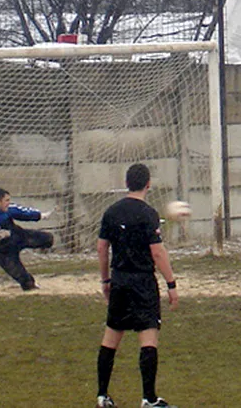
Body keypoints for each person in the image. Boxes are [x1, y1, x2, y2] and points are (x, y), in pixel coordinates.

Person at [95, 163, 179, 408]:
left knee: (111, 336)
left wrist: (105, 280)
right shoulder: (147, 214)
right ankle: (149, 399)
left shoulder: (111, 212)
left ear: (127, 182)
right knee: (148, 336)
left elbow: (101, 248)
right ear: (148, 184)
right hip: (142, 281)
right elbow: (158, 253)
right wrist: (171, 283)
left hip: (119, 279)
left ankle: (102, 396)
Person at [0, 188, 54, 291]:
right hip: (1, 251)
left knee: (48, 239)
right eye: (6, 200)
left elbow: (24, 213)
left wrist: (43, 216)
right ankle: (30, 285)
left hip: (16, 237)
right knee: (26, 282)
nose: (9, 203)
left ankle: (44, 248)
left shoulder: (8, 209)